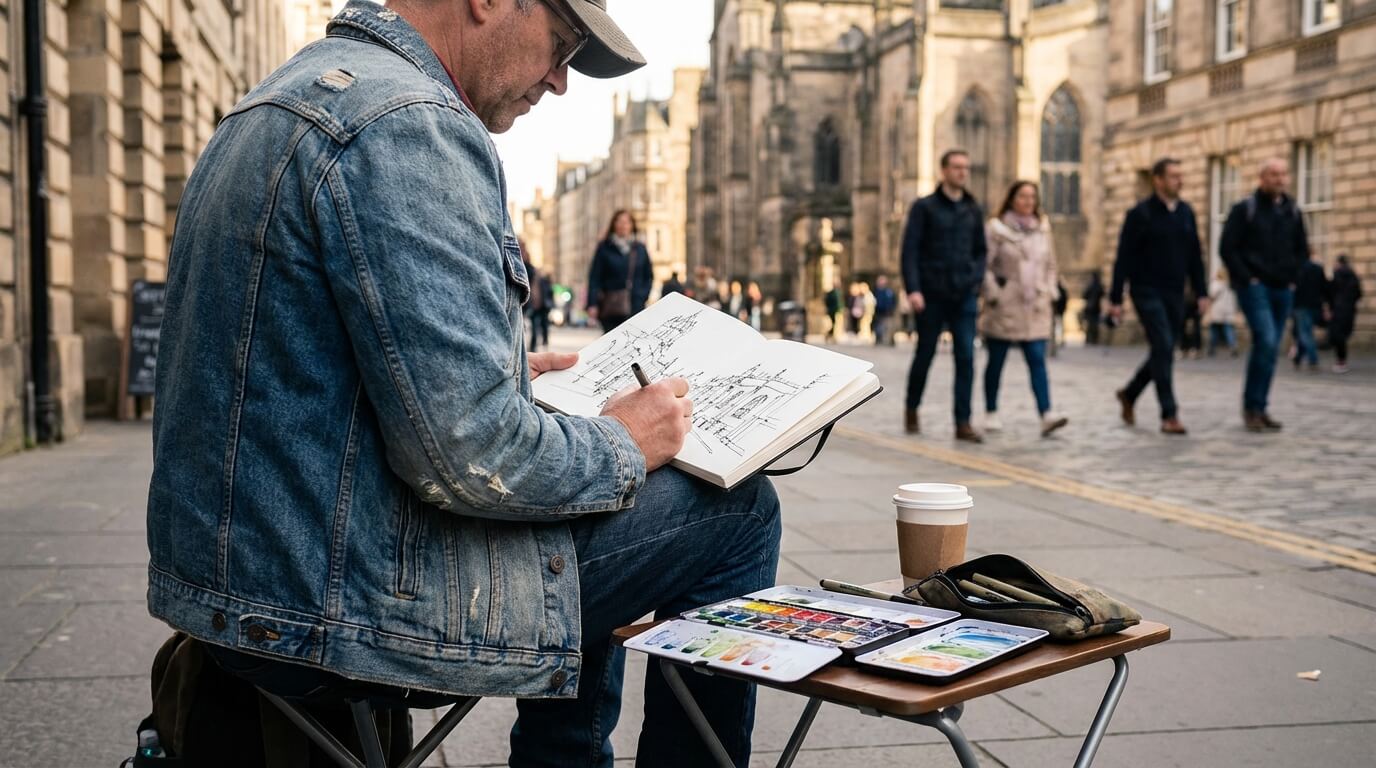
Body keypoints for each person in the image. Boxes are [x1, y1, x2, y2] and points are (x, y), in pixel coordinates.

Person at [143, 3, 781, 767]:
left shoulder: (285, 94)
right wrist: (622, 440)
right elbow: (475, 455)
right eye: (562, 45)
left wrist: (496, 371)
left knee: (590, 500)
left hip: (239, 586)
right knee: (738, 507)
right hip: (335, 610)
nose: (561, 80)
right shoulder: (408, 126)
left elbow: (310, 368)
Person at [1108, 158, 1209, 436]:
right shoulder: (1139, 214)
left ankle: (1130, 393)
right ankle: (1169, 414)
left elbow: (1195, 256)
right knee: (1163, 345)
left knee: (1163, 349)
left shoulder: (1186, 213)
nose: (1180, 181)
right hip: (1146, 290)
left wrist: (1201, 292)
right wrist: (1116, 298)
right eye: (1174, 176)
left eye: (1180, 175)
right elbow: (1123, 258)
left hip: (1175, 292)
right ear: (1158, 180)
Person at [901, 149, 988, 442]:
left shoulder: (973, 209)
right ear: (944, 171)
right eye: (956, 167)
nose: (962, 172)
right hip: (931, 293)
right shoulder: (924, 207)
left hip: (963, 294)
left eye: (966, 167)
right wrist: (913, 289)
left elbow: (981, 251)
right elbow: (910, 250)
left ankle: (963, 422)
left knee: (966, 357)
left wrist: (975, 280)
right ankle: (912, 408)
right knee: (925, 354)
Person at [1220, 158, 1310, 432]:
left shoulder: (1293, 211)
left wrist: (1294, 279)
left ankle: (1259, 407)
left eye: (1283, 174)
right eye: (1273, 174)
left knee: (1270, 348)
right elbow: (1227, 248)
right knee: (1267, 340)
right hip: (1255, 287)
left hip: (1283, 288)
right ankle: (1252, 407)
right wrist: (1248, 278)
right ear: (1262, 178)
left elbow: (1302, 250)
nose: (1279, 179)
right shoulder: (1245, 209)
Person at [978, 181, 1068, 437]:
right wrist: (995, 293)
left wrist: (1049, 289)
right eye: (1023, 196)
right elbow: (984, 265)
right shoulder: (996, 229)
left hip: (1035, 305)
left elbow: (1051, 264)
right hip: (1005, 304)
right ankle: (991, 411)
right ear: (1011, 199)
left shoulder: (1043, 229)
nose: (1028, 201)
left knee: (1037, 359)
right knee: (996, 361)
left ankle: (1046, 413)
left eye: (1032, 197)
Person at [587, 209, 654, 332]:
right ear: (614, 225)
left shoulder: (640, 249)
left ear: (632, 225)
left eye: (627, 222)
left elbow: (648, 276)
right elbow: (594, 278)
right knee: (612, 340)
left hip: (635, 307)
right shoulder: (604, 248)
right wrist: (592, 304)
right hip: (610, 307)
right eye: (619, 222)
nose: (623, 225)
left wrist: (642, 296)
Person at [1327, 254, 1363, 374]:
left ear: (1338, 263)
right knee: (1343, 334)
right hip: (1350, 309)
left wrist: (1330, 308)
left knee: (1337, 335)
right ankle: (1342, 362)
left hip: (1338, 309)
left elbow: (1331, 293)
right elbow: (1359, 294)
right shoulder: (1354, 276)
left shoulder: (1336, 274)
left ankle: (1340, 361)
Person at [1291, 254, 1327, 371]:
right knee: (1305, 332)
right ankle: (1298, 358)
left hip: (1301, 305)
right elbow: (1324, 288)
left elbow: (1294, 289)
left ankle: (1313, 360)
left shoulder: (1297, 269)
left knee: (1305, 333)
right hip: (1315, 305)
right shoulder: (1318, 268)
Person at [523, 245, 554, 353]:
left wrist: (548, 304)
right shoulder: (528, 270)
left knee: (541, 326)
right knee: (533, 327)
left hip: (541, 306)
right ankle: (533, 346)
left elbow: (547, 292)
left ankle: (539, 344)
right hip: (531, 305)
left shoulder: (534, 273)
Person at [1207, 269, 1239, 357]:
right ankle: (1233, 346)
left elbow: (1211, 295)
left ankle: (1211, 348)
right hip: (1228, 310)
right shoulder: (1230, 284)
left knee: (1214, 330)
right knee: (1229, 329)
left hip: (1217, 309)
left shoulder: (1215, 284)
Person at [873, 275, 898, 346]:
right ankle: (879, 340)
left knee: (889, 326)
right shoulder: (876, 291)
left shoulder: (889, 291)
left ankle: (890, 341)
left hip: (888, 312)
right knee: (878, 327)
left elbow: (894, 301)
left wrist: (891, 308)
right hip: (878, 312)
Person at [1081, 272, 1105, 346]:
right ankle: (1094, 339)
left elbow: (1084, 295)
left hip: (1090, 308)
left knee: (1090, 324)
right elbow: (1103, 294)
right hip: (1096, 308)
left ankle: (1089, 339)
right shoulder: (1099, 285)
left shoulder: (1090, 285)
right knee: (1094, 324)